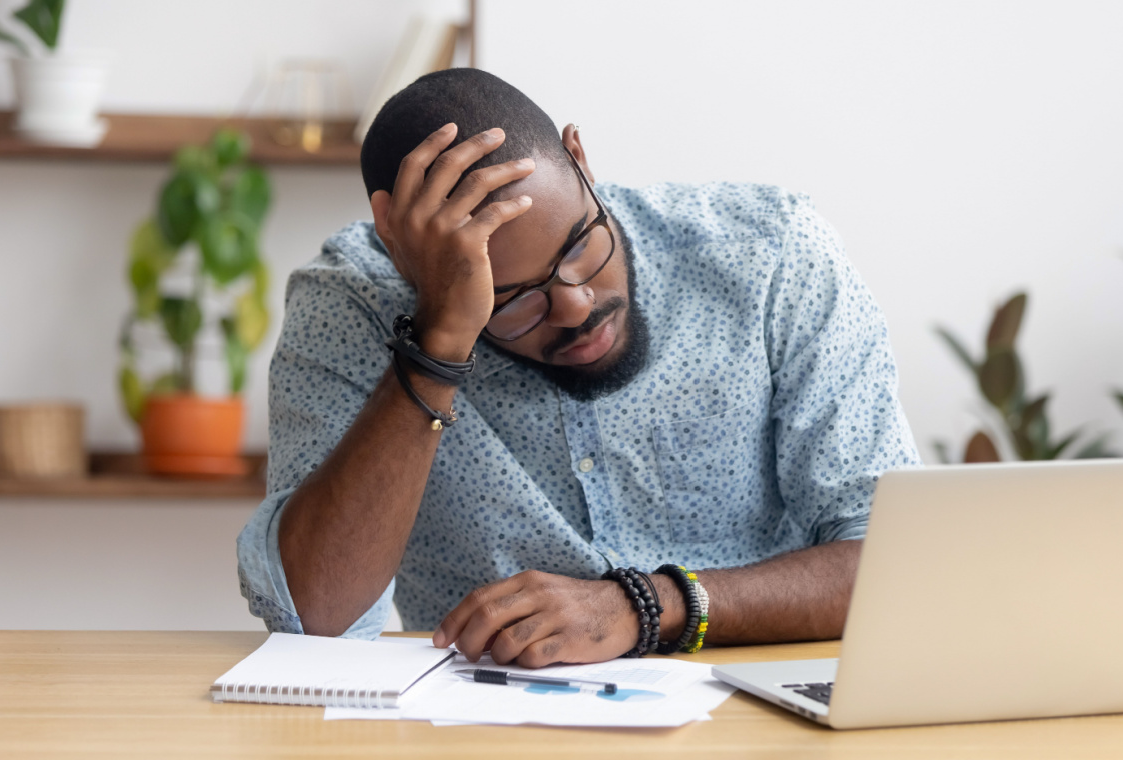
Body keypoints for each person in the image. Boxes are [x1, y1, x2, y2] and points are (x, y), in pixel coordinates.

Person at [236, 68, 920, 668]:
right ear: (400, 253)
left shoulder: (771, 256)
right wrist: (440, 337)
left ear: (581, 159)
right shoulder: (351, 301)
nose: (575, 304)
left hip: (760, 717)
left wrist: (645, 607)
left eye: (580, 245)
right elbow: (315, 616)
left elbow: (896, 562)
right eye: (510, 299)